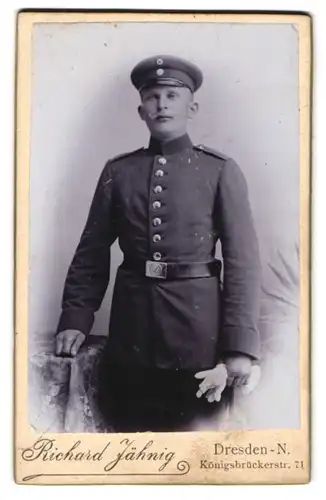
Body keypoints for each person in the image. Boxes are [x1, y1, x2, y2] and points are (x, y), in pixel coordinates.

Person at [55, 55, 262, 432]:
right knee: (128, 437)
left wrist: (239, 347)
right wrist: (75, 318)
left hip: (199, 334)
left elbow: (242, 264)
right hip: (132, 334)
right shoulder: (119, 172)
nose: (162, 104)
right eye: (152, 97)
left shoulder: (219, 170)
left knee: (196, 445)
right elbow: (92, 251)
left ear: (192, 107)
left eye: (172, 95)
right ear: (141, 111)